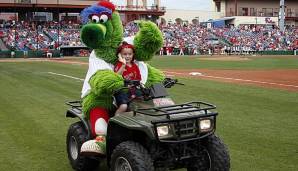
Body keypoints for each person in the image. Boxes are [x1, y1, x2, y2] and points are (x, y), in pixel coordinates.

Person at [113, 42, 141, 116]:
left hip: (133, 90)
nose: (127, 56)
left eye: (130, 54)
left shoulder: (135, 66)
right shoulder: (119, 65)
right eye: (125, 54)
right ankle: (115, 121)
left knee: (144, 103)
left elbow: (138, 79)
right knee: (123, 106)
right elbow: (116, 77)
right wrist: (123, 64)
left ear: (133, 54)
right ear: (120, 55)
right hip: (122, 90)